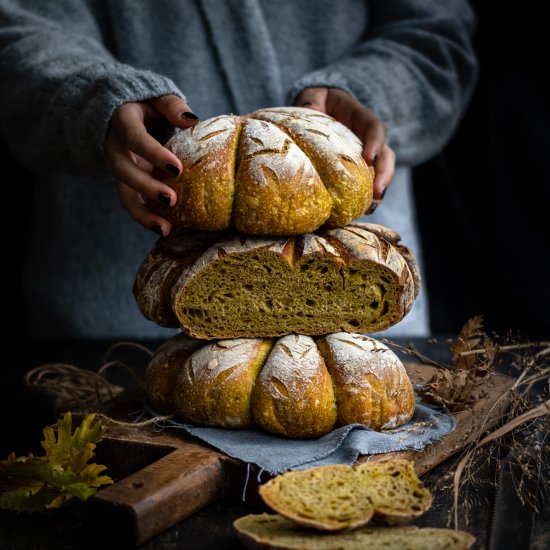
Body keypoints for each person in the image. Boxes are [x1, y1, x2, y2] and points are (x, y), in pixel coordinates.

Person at [0, 0, 478, 340]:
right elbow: (20, 28)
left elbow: (434, 32)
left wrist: (371, 94)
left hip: (350, 294)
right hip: (109, 323)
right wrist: (93, 102)